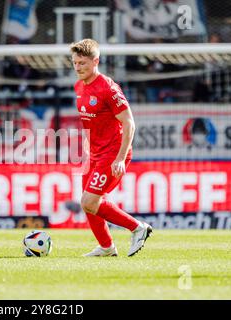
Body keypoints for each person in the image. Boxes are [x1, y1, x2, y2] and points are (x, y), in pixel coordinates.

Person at [70, 39, 152, 257]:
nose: (78, 68)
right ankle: (107, 247)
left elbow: (129, 122)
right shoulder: (79, 86)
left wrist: (120, 158)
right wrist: (87, 150)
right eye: (75, 63)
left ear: (95, 61)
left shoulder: (108, 88)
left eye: (82, 63)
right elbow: (90, 122)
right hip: (93, 154)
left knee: (89, 201)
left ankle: (137, 228)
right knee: (88, 202)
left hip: (113, 153)